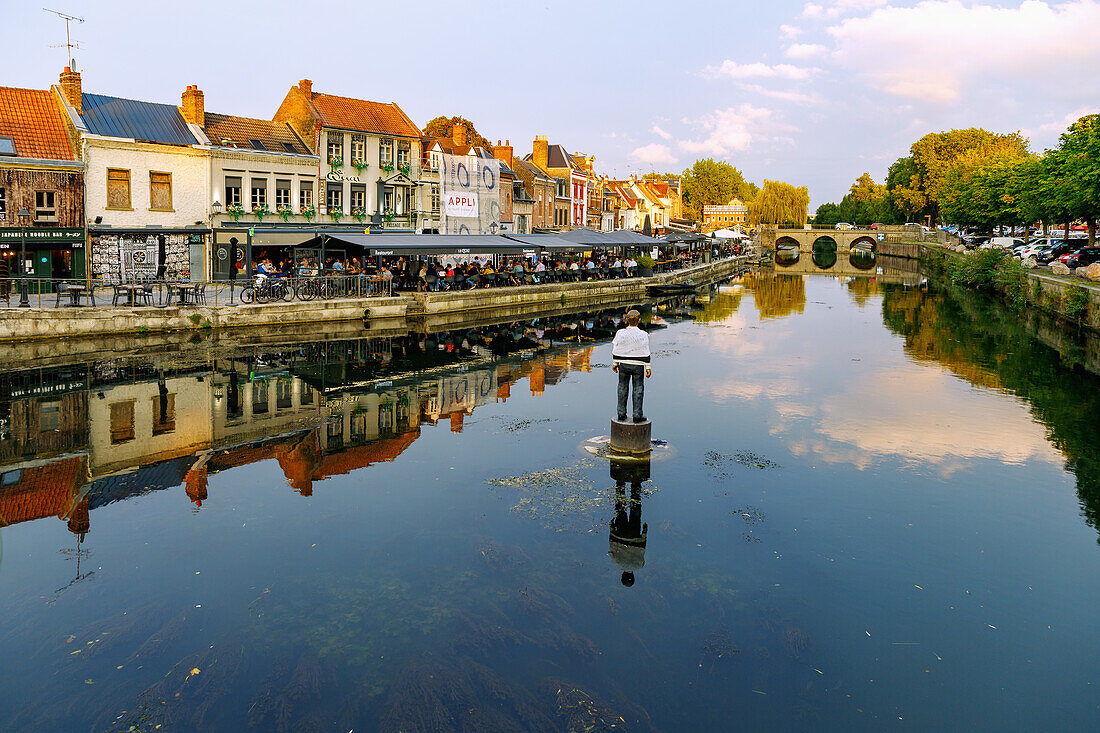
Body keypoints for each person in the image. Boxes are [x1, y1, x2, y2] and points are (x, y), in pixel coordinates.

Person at [611, 309, 651, 422]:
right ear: (639, 320)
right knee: (638, 388)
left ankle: (621, 413)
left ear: (626, 319)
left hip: (623, 365)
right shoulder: (643, 334)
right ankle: (637, 415)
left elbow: (616, 347)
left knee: (622, 387)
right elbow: (645, 350)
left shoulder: (620, 333)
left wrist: (615, 363)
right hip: (638, 365)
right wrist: (648, 367)